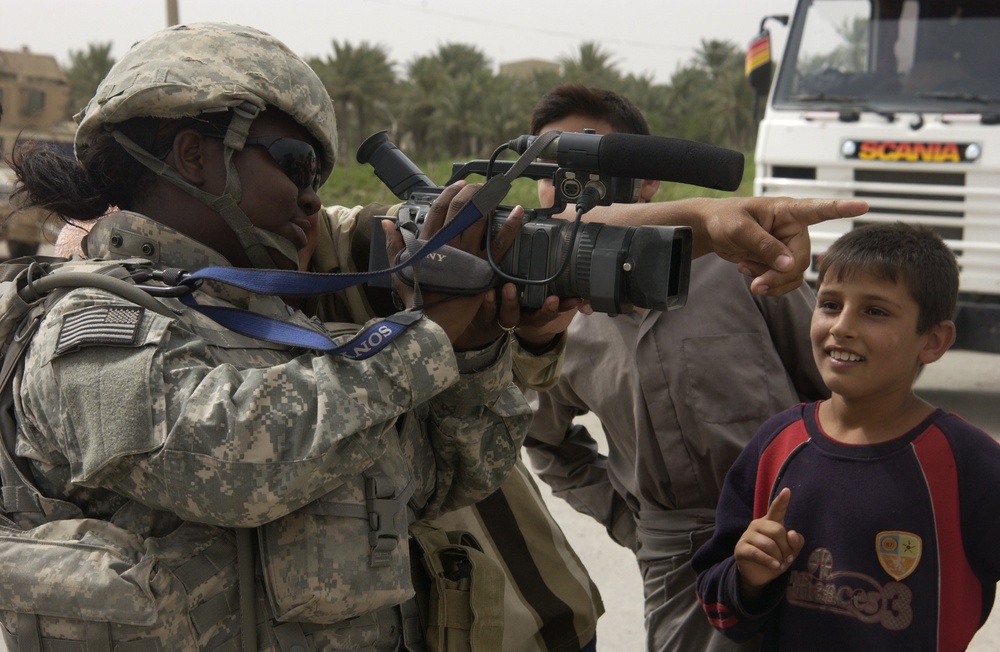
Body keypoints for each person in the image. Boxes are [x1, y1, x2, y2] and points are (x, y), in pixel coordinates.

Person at [4, 22, 536, 652]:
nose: (312, 200)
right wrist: (422, 340)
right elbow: (224, 462)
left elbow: (442, 482)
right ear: (194, 155)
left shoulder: (277, 328)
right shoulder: (94, 325)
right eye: (297, 166)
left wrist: (470, 352)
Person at [522, 83, 830, 652]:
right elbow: (544, 443)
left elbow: (829, 385)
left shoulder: (737, 265)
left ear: (648, 181)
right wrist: (632, 525)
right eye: (551, 170)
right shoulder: (550, 318)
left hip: (797, 527)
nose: (572, 186)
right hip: (676, 562)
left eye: (595, 163)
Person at [692, 222, 1000, 650]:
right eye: (831, 305)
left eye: (875, 311)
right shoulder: (777, 443)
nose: (842, 327)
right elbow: (720, 607)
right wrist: (748, 577)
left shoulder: (969, 462)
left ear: (933, 340)